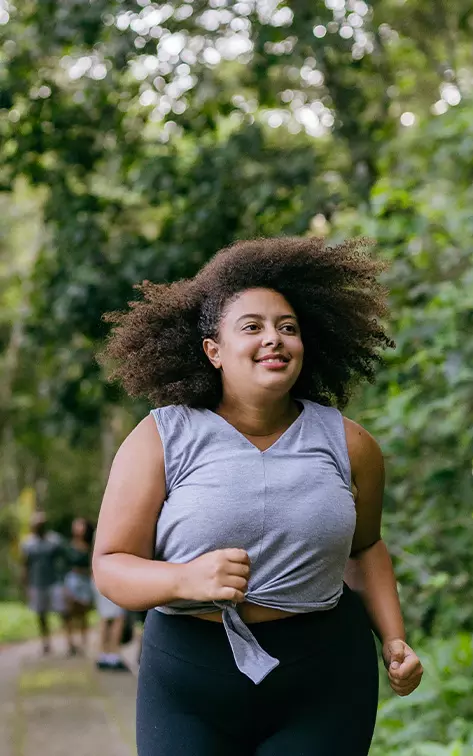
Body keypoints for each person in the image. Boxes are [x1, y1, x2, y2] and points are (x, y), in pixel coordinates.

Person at [93, 237, 424, 756]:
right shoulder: (161, 437)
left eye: (287, 328)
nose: (274, 338)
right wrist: (184, 577)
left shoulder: (351, 443)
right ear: (214, 350)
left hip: (324, 677)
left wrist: (395, 639)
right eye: (253, 327)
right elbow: (111, 564)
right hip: (189, 676)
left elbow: (364, 549)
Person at [20, 511, 71, 655]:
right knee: (41, 614)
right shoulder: (28, 544)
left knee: (63, 611)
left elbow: (65, 558)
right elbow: (25, 565)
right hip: (37, 584)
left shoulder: (54, 540)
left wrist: (65, 578)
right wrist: (26, 585)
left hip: (55, 582)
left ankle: (69, 641)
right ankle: (46, 643)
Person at [63, 517, 94, 654]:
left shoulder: (89, 546)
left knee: (83, 613)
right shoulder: (68, 546)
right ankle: (70, 643)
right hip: (72, 580)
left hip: (85, 580)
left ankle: (83, 642)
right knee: (69, 612)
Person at [93, 585, 130, 671]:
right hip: (114, 579)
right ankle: (113, 656)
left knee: (105, 618)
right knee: (118, 619)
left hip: (100, 578)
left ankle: (103, 655)